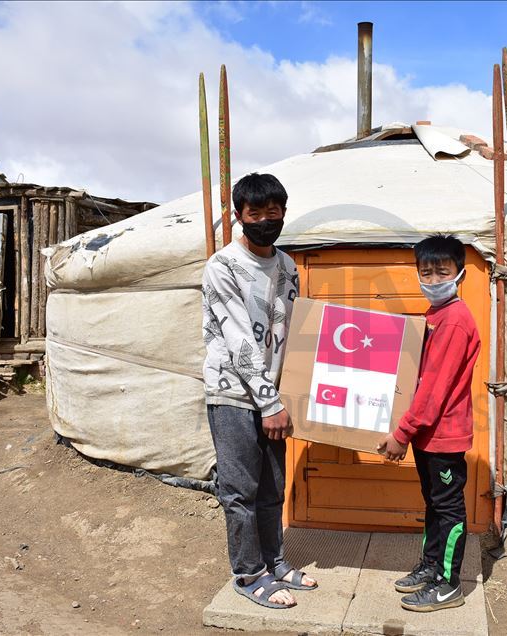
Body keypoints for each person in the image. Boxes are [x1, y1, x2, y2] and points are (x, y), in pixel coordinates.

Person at [201, 173, 317, 609]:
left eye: (274, 212)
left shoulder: (288, 267)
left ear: (284, 213)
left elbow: (293, 331)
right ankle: (249, 574)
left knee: (272, 487)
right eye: (255, 213)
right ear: (239, 216)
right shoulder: (222, 266)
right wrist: (269, 403)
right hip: (233, 393)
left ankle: (274, 562)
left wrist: (289, 393)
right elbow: (238, 339)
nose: (266, 220)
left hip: (275, 397)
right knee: (240, 490)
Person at [377, 234, 481, 612]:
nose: (434, 280)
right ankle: (431, 566)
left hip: (444, 435)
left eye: (442, 272)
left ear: (460, 274)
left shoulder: (453, 321)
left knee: (448, 509)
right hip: (428, 434)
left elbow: (434, 390)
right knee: (435, 504)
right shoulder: (435, 315)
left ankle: (448, 585)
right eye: (426, 272)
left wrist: (402, 433)